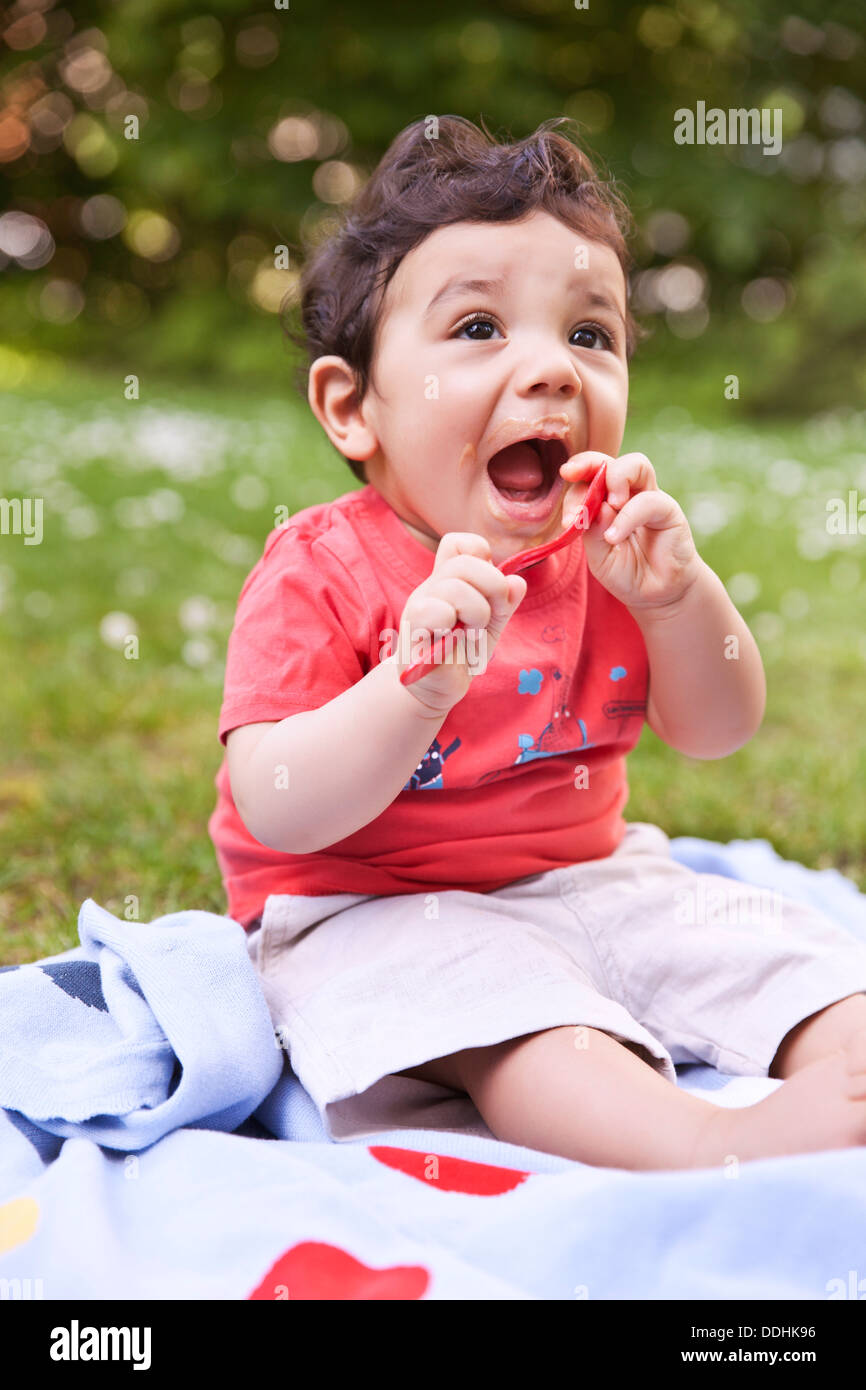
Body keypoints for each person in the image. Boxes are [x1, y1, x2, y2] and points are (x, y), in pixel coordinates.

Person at [208, 115, 866, 1170]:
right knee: (513, 1020)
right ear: (350, 407)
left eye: (589, 335)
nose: (553, 369)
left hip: (588, 874)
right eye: (477, 328)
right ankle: (699, 1143)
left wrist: (676, 598)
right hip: (373, 915)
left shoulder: (604, 552)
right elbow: (274, 801)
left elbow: (715, 730)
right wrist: (409, 691)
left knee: (764, 944)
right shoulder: (318, 569)